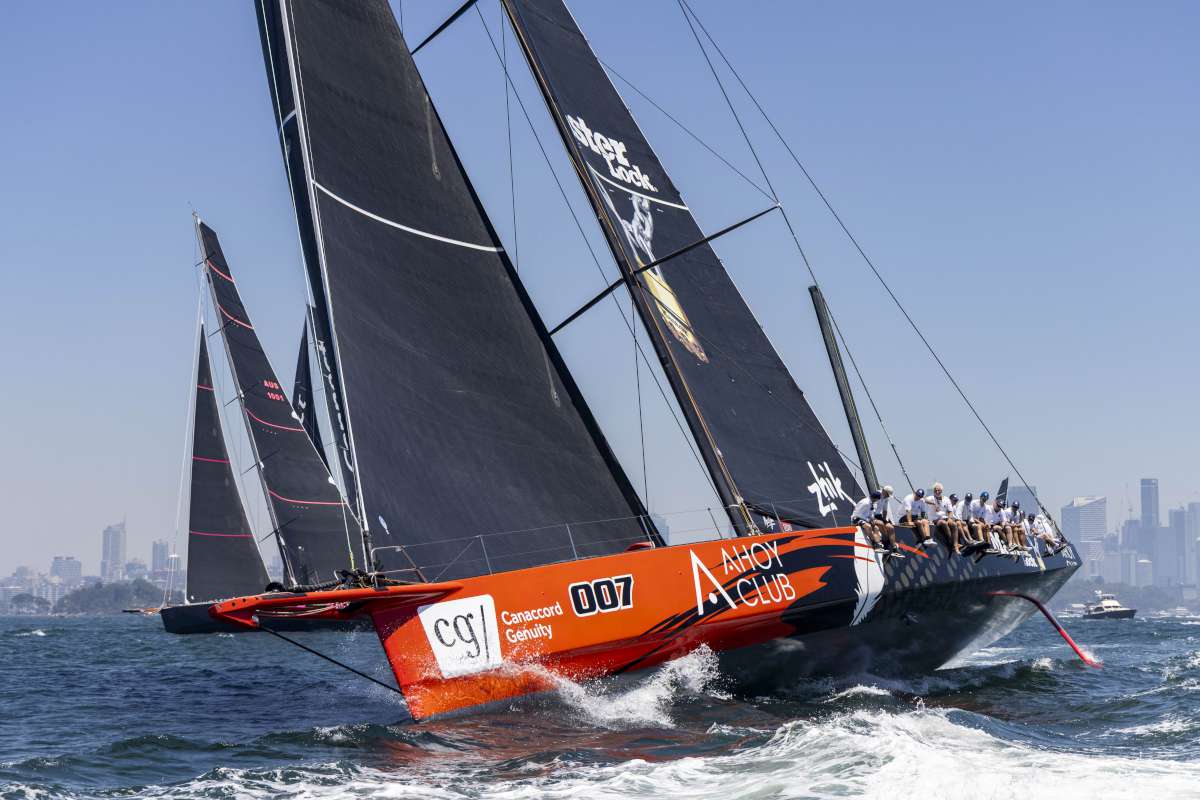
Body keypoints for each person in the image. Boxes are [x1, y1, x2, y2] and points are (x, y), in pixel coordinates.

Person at [929, 482, 956, 551]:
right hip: (934, 520)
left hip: (944, 518)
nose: (937, 492)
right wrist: (933, 503)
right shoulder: (931, 498)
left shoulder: (946, 499)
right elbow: (925, 499)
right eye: (935, 490)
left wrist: (950, 519)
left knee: (953, 524)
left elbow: (950, 511)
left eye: (939, 490)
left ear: (941, 491)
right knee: (943, 522)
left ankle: (956, 544)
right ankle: (951, 541)